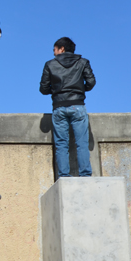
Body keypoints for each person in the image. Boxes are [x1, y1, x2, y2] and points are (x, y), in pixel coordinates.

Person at [39, 37, 96, 178]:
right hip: (78, 105)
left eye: (55, 49)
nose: (53, 53)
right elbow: (91, 82)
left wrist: (57, 91)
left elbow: (43, 89)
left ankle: (64, 176)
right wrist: (79, 90)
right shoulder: (83, 62)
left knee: (61, 145)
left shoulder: (50, 64)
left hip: (59, 107)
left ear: (61, 49)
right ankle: (85, 176)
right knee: (82, 143)